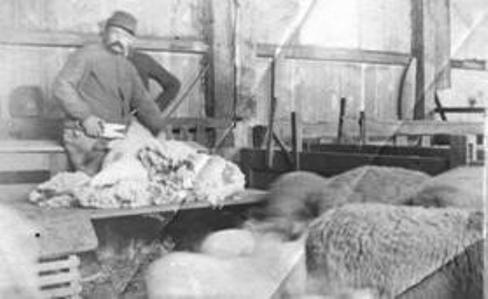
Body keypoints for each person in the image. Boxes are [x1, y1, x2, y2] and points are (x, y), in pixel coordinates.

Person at [53, 10, 167, 176]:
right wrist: (86, 117)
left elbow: (144, 102)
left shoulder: (127, 67)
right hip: (85, 135)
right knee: (115, 175)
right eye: (115, 33)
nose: (119, 40)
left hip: (114, 135)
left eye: (125, 36)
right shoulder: (87, 54)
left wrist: (160, 129)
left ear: (131, 42)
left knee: (148, 163)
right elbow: (62, 86)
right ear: (105, 33)